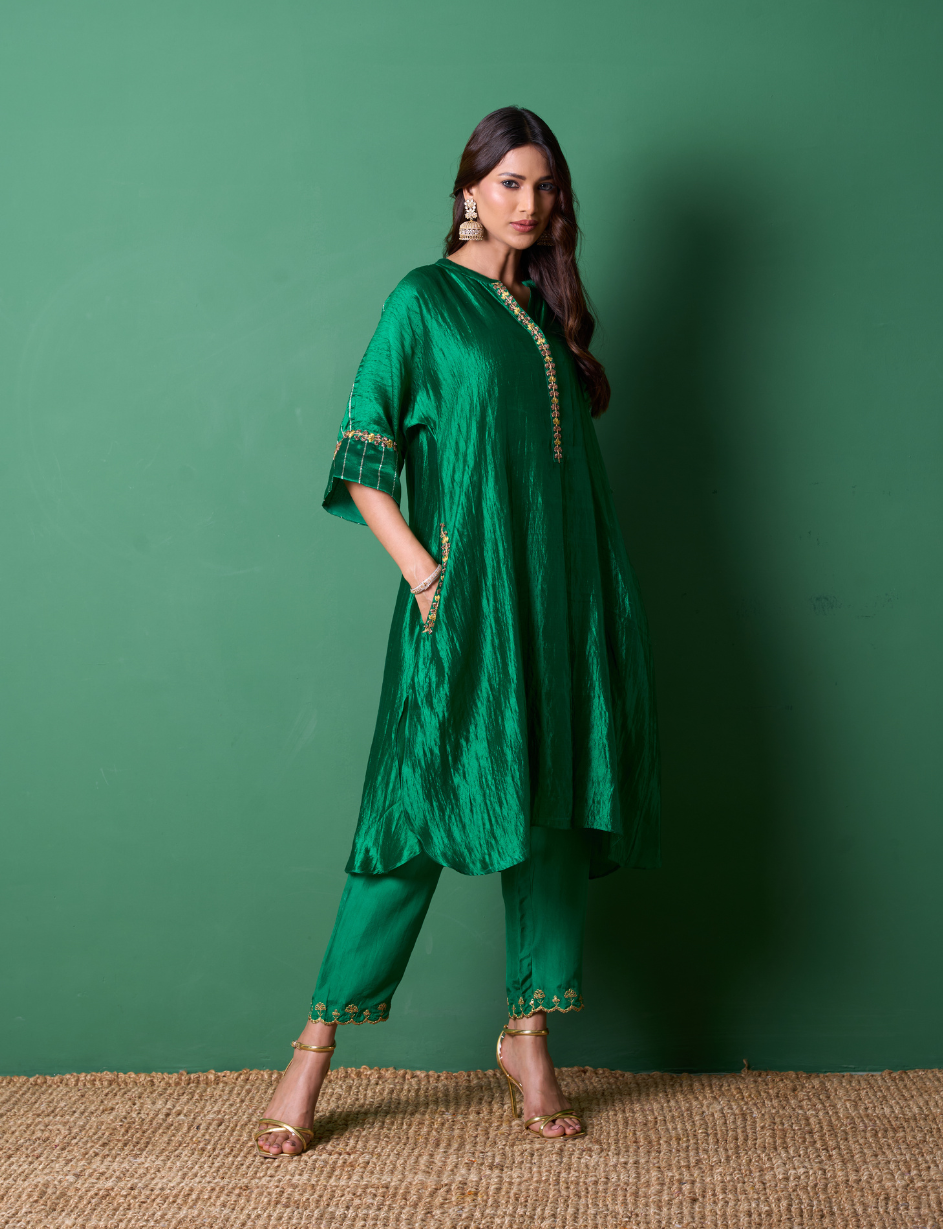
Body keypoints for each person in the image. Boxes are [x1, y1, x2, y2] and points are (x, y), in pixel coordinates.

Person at [254, 106, 662, 1157]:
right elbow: (364, 448)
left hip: (562, 604)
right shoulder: (424, 302)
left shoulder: (548, 317)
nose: (529, 203)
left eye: (544, 187)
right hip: (465, 601)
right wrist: (424, 572)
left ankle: (529, 1040)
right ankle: (313, 1048)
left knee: (554, 809)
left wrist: (596, 609)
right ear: (468, 189)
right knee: (414, 813)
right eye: (510, 182)